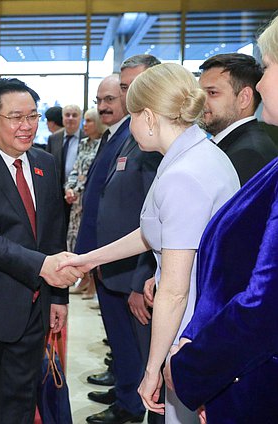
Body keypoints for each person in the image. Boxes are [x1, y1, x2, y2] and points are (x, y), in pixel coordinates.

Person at [63, 63, 239, 423]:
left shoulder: (183, 176)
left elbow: (174, 291)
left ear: (147, 116)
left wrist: (152, 368)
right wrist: (89, 259)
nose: (129, 126)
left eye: (131, 116)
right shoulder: (192, 155)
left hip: (188, 321)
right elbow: (153, 231)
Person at [0, 77, 82, 424]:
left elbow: (53, 233)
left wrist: (58, 297)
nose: (27, 126)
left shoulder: (44, 163)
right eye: (16, 117)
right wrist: (43, 267)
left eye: (33, 116)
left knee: (20, 405)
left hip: (33, 310)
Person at [166, 16, 278, 424]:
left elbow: (264, 299)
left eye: (267, 68)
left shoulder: (250, 152)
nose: (264, 84)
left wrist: (195, 369)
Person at [76, 56, 162, 424]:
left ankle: (129, 406)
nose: (125, 96)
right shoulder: (126, 133)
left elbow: (154, 222)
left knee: (137, 350)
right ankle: (124, 393)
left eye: (130, 87)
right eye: (123, 87)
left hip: (131, 272)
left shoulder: (148, 138)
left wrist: (139, 278)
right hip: (112, 265)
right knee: (123, 347)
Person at [199, 53, 278, 184]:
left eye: (212, 93)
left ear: (244, 98)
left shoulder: (249, 155)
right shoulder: (240, 146)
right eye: (200, 93)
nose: (201, 102)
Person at [64, 108, 105, 299]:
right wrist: (69, 188)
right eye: (85, 121)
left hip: (90, 201)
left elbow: (95, 176)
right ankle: (84, 280)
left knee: (91, 243)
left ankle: (93, 285)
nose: (85, 125)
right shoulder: (83, 144)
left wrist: (78, 189)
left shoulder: (103, 145)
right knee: (75, 241)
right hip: (76, 202)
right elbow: (75, 169)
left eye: (89, 121)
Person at [46, 104, 83, 229]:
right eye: (67, 115)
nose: (70, 118)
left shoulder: (89, 138)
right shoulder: (53, 138)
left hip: (80, 195)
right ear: (62, 118)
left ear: (80, 118)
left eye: (75, 115)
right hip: (58, 194)